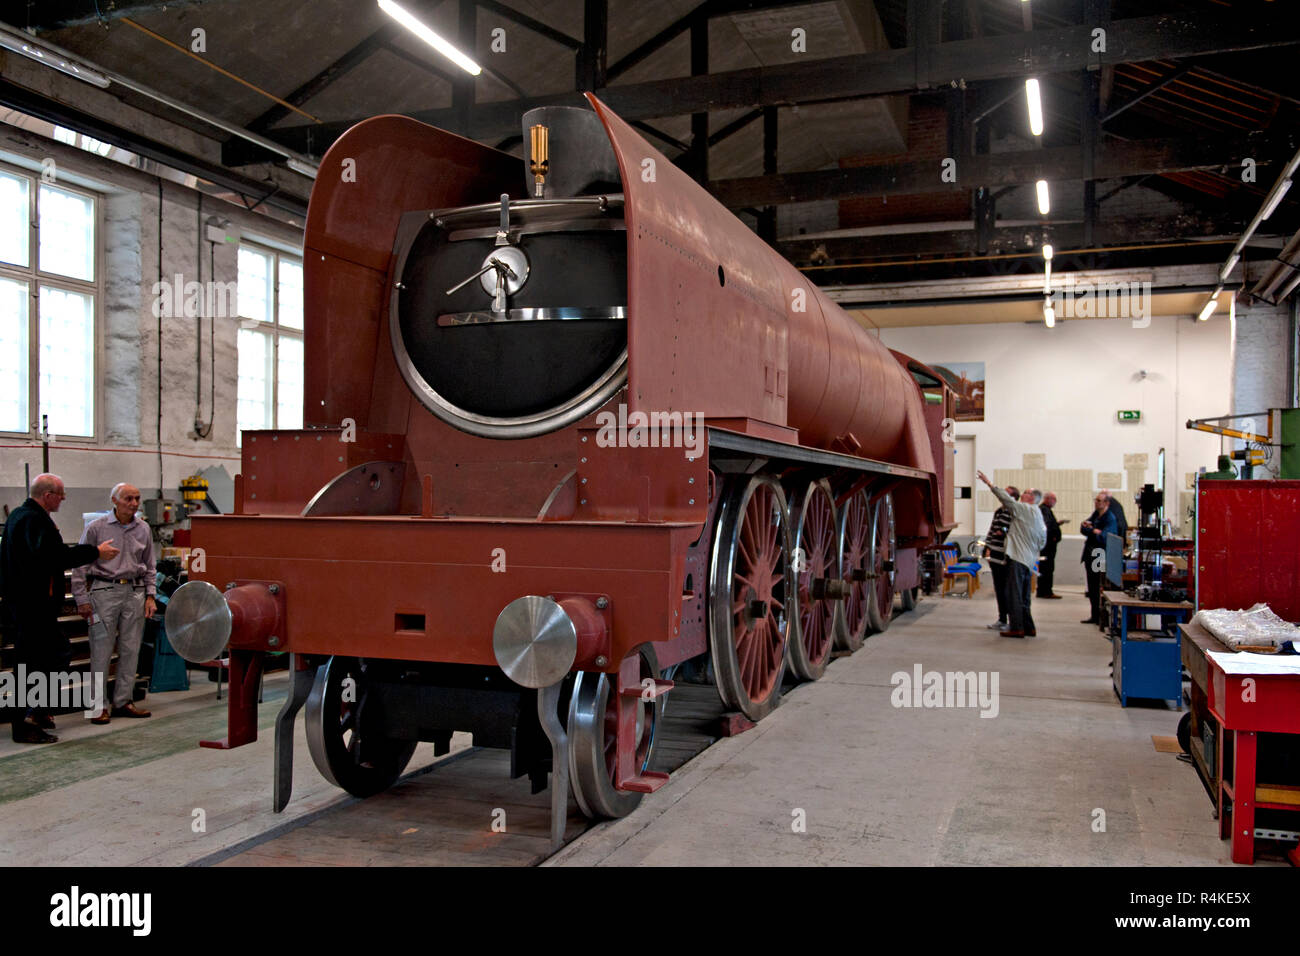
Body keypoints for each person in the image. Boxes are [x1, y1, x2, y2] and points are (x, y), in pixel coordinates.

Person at [0, 474, 118, 743]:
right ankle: (27, 718)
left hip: (27, 606)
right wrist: (94, 552)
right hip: (31, 608)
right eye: (61, 494)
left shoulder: (21, 516)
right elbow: (53, 557)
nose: (64, 499)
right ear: (48, 495)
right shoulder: (32, 519)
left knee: (44, 658)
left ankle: (37, 711)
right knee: (40, 661)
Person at [72, 483, 156, 724]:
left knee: (131, 649)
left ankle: (123, 701)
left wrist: (150, 596)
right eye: (128, 498)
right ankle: (97, 706)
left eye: (137, 498)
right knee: (101, 650)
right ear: (114, 501)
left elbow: (150, 565)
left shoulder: (144, 529)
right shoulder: (96, 528)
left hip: (135, 592)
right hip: (104, 591)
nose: (134, 503)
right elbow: (79, 564)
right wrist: (81, 599)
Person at [977, 471, 1045, 638]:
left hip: (1017, 558)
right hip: (1029, 559)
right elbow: (1042, 540)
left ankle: (1017, 628)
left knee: (1013, 593)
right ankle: (1029, 627)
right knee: (1024, 595)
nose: (1023, 494)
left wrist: (990, 484)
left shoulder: (1024, 509)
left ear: (1032, 498)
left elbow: (1005, 499)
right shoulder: (1037, 513)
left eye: (1026, 493)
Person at [1080, 492, 1119, 624]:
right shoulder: (1096, 514)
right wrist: (1093, 530)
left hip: (1099, 555)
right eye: (1096, 500)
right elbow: (1083, 527)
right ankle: (1094, 615)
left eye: (1099, 500)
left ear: (1107, 503)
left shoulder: (1110, 518)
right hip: (1090, 553)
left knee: (1098, 586)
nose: (1096, 502)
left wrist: (1092, 530)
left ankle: (1100, 617)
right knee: (1092, 586)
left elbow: (1104, 537)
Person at [983, 486, 1018, 630]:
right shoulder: (999, 511)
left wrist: (1003, 532)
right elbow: (992, 529)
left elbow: (1011, 530)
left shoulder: (1014, 511)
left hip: (1006, 555)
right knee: (998, 587)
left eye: (1005, 493)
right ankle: (1002, 618)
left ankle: (1011, 619)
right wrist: (987, 545)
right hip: (995, 554)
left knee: (1006, 589)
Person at [1037, 492, 1065, 599]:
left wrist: (1057, 524)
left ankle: (1044, 590)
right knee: (1047, 568)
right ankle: (1046, 591)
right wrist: (1053, 535)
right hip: (1048, 545)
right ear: (1047, 499)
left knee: (1046, 568)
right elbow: (1046, 526)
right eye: (1054, 499)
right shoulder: (1044, 510)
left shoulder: (1046, 510)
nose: (1055, 502)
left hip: (1048, 544)